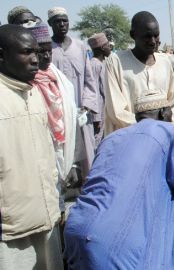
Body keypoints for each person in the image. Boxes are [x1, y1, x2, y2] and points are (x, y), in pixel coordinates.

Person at [64, 92, 174, 269]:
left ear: (136, 117)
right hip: (116, 242)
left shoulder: (110, 138)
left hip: (76, 231)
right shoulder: (168, 130)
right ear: (164, 112)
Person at [0, 24, 62, 270]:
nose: (36, 59)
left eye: (37, 52)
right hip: (11, 229)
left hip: (46, 217)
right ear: (2, 55)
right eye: (27, 52)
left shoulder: (34, 93)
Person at [26, 21, 78, 215]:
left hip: (60, 153)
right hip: (38, 160)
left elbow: (70, 122)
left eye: (49, 51)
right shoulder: (26, 84)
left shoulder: (59, 79)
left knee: (59, 207)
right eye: (40, 52)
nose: (46, 56)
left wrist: (71, 162)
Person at [104, 11, 174, 135]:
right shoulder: (115, 62)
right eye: (147, 36)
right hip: (130, 138)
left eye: (156, 36)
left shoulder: (165, 62)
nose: (152, 41)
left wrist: (168, 121)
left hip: (162, 136)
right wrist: (148, 125)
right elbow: (116, 111)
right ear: (133, 35)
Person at [48, 7, 98, 196]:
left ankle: (89, 193)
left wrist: (86, 105)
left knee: (87, 155)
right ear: (50, 24)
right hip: (58, 114)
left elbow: (89, 79)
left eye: (65, 21)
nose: (62, 25)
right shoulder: (48, 49)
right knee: (62, 156)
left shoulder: (81, 47)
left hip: (81, 112)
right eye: (57, 21)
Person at [87, 32, 112, 146]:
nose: (110, 48)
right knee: (97, 142)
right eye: (107, 45)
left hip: (102, 111)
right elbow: (95, 91)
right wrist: (96, 117)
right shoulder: (96, 65)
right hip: (98, 113)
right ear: (102, 47)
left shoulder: (100, 64)